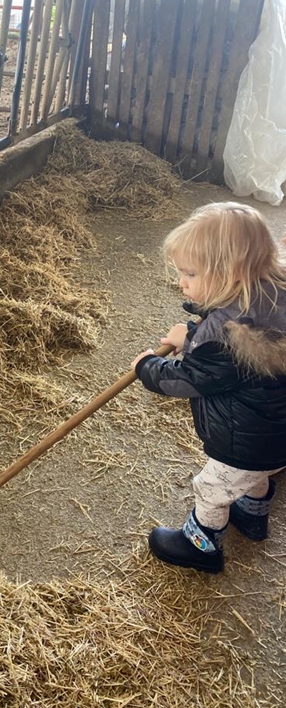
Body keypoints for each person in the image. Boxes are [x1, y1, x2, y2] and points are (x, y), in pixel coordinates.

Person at [131, 201, 286, 573]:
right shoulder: (271, 292)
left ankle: (200, 546)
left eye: (190, 274)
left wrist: (147, 366)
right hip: (272, 435)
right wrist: (196, 329)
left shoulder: (223, 340)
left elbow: (183, 379)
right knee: (253, 477)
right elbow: (237, 320)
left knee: (212, 488)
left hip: (242, 440)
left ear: (230, 274)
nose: (182, 282)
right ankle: (251, 517)